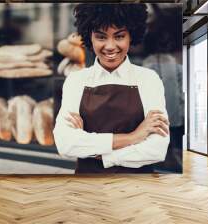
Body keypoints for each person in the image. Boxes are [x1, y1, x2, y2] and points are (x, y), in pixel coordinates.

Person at [53, 3, 170, 174]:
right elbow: (65, 143)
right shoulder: (76, 80)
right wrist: (133, 137)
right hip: (87, 189)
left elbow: (156, 149)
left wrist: (101, 154)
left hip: (139, 189)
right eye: (101, 37)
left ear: (131, 36)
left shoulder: (148, 79)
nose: (110, 46)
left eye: (119, 36)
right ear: (89, 37)